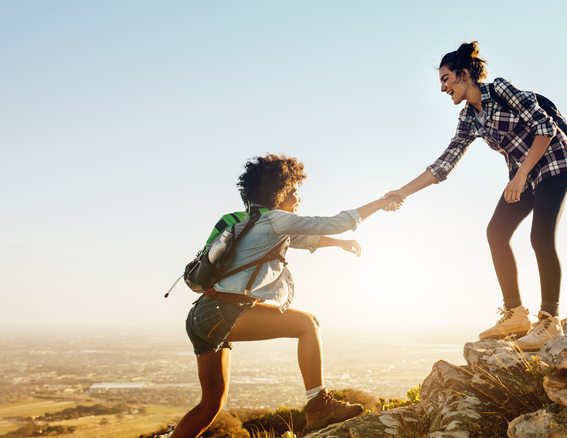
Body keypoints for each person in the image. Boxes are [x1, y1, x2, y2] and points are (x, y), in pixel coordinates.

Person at [171, 153, 400, 438]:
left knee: (210, 406)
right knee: (308, 324)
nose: (298, 198)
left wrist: (340, 244)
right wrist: (380, 203)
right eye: (294, 191)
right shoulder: (276, 220)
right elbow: (334, 222)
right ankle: (318, 405)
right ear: (278, 193)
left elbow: (306, 239)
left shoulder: (246, 221)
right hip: (224, 313)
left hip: (201, 317)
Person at [384, 41, 567, 352]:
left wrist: (522, 173)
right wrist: (402, 192)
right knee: (496, 232)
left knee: (540, 236)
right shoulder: (469, 118)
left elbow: (546, 127)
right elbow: (444, 164)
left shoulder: (501, 89)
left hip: (552, 164)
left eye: (445, 79)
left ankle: (550, 320)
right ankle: (515, 314)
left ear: (463, 75)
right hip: (522, 176)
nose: (443, 88)